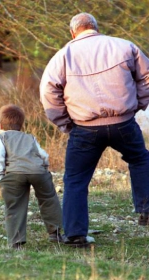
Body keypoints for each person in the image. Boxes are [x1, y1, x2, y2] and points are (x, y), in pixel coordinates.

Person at [40, 12, 149, 247]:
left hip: (84, 129)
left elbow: (49, 92)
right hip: (124, 123)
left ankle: (76, 234)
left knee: (76, 180)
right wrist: (139, 104)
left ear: (73, 32)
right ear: (95, 28)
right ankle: (146, 208)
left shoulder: (63, 56)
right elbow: (146, 77)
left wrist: (65, 122)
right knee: (140, 160)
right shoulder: (124, 46)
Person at [0, 104, 63, 249]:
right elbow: (44, 155)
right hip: (38, 172)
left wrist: (0, 176)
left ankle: (16, 242)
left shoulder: (1, 138)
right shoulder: (30, 137)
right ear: (21, 125)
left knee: (15, 205)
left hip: (14, 174)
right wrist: (44, 168)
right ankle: (55, 233)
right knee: (49, 199)